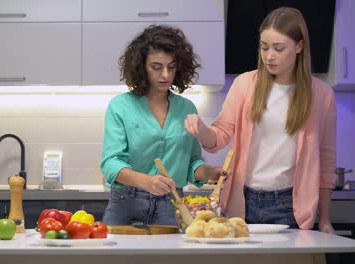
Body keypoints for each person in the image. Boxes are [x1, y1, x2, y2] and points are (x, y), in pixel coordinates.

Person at [184, 7, 336, 233]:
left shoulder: (322, 95)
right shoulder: (245, 84)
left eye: (278, 48)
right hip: (242, 202)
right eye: (264, 47)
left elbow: (325, 161)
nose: (269, 56)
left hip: (291, 206)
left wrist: (325, 219)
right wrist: (202, 130)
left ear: (299, 46)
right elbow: (221, 133)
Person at [100, 25, 223, 225]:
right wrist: (147, 182)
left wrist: (209, 173)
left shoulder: (186, 108)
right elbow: (110, 163)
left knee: (170, 258)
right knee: (117, 257)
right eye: (156, 67)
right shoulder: (120, 106)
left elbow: (191, 162)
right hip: (126, 204)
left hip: (172, 205)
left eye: (171, 67)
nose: (165, 74)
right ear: (142, 66)